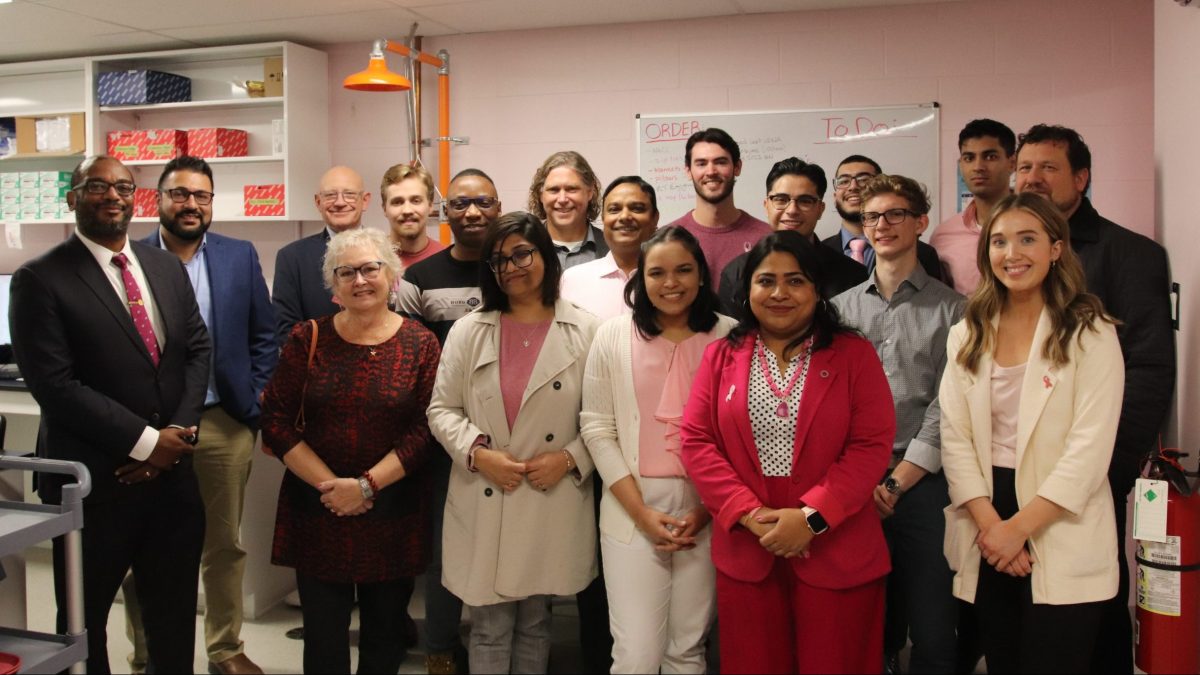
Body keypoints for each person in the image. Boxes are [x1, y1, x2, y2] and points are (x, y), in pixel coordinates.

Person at [9, 155, 211, 673]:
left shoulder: (164, 266)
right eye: (97, 186)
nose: (114, 195)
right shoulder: (40, 278)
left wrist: (175, 435)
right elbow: (55, 386)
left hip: (171, 482)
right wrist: (147, 443)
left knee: (173, 616)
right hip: (95, 484)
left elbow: (196, 350)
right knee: (85, 621)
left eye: (123, 186)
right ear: (72, 197)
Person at [680, 230, 896, 673]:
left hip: (836, 548)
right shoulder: (721, 356)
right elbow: (697, 441)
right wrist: (749, 515)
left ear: (817, 290)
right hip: (750, 547)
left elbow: (870, 445)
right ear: (747, 290)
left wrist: (811, 519)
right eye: (766, 280)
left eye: (795, 281)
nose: (780, 293)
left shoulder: (853, 354)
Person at [939, 191, 1124, 673]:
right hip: (986, 514)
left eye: (1027, 239)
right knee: (1002, 659)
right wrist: (993, 528)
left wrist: (1018, 530)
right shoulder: (968, 332)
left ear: (1056, 248)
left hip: (1055, 515)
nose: (1012, 253)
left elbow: (1089, 449)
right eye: (999, 241)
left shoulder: (1090, 331)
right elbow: (955, 438)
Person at [1014, 124, 1175, 673]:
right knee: (1024, 615)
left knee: (1095, 611)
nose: (1032, 178)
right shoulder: (1010, 255)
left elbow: (1149, 368)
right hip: (1012, 469)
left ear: (1081, 178)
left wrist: (1110, 465)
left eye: (1048, 167)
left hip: (1092, 471)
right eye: (1025, 167)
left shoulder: (1130, 254)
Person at [259, 227, 440, 673]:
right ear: (334, 285)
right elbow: (276, 420)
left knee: (385, 637)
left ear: (391, 275)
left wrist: (365, 486)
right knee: (323, 640)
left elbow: (426, 430)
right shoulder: (307, 338)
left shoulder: (421, 344)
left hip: (393, 509)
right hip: (318, 509)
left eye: (370, 269)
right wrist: (335, 488)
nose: (360, 280)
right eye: (346, 272)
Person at [427, 212, 601, 673]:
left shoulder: (586, 330)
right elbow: (441, 410)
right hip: (487, 491)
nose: (511, 267)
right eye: (499, 260)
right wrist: (478, 453)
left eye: (522, 254)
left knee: (537, 623)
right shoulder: (470, 329)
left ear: (545, 255)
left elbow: (605, 419)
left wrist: (569, 458)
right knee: (488, 626)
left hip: (550, 493)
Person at [124, 155, 277, 675]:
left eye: (201, 195)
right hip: (151, 424)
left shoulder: (238, 255)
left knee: (224, 544)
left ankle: (224, 648)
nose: (191, 204)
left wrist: (255, 400)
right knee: (145, 545)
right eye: (180, 194)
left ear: (212, 202)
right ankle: (148, 651)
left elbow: (264, 335)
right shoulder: (129, 258)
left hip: (223, 420)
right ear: (158, 200)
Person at [581, 226, 735, 673]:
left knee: (687, 647)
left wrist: (707, 510)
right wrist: (640, 512)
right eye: (657, 273)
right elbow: (597, 427)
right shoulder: (612, 335)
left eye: (683, 270)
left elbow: (740, 434)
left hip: (708, 511)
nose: (671, 283)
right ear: (640, 278)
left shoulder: (731, 336)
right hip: (632, 509)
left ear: (702, 274)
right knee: (636, 653)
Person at [832, 174, 965, 674]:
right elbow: (832, 404)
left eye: (894, 214)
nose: (881, 225)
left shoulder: (955, 311)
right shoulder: (839, 311)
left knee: (934, 630)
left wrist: (896, 481)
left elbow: (949, 406)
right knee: (866, 625)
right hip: (854, 486)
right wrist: (864, 479)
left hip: (926, 484)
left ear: (920, 222)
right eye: (871, 217)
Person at [395, 167, 502, 674]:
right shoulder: (419, 278)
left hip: (511, 434)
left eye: (483, 202)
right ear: (445, 212)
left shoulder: (514, 269)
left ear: (498, 207)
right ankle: (439, 650)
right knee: (445, 549)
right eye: (460, 203)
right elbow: (408, 363)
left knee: (505, 544)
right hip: (444, 437)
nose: (472, 212)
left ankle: (499, 647)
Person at [718, 157, 867, 314]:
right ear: (766, 205)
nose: (792, 210)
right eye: (781, 200)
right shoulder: (736, 273)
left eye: (805, 201)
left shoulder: (852, 275)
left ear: (820, 209)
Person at [272, 165, 370, 345]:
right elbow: (286, 330)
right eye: (330, 195)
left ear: (365, 201)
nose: (340, 202)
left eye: (349, 194)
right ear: (318, 202)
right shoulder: (292, 258)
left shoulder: (385, 252)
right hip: (315, 360)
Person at [666, 128, 771, 287]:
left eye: (720, 162)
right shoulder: (668, 240)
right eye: (701, 164)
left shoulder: (766, 238)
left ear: (737, 167)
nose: (711, 172)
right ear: (688, 171)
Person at [822, 155, 943, 282]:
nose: (853, 187)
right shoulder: (820, 252)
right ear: (835, 196)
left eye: (864, 179)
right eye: (843, 181)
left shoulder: (923, 253)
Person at [931, 119, 1016, 295]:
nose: (978, 167)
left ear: (1012, 163)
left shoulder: (1038, 224)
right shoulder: (944, 235)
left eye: (990, 157)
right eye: (969, 158)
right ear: (961, 164)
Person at [561, 176, 660, 321]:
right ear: (603, 218)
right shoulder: (572, 280)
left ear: (655, 218)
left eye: (637, 209)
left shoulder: (670, 282)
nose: (625, 216)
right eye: (614, 209)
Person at [528, 150, 609, 269]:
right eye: (554, 190)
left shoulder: (612, 249)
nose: (562, 199)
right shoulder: (524, 248)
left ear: (590, 192)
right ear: (541, 195)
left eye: (571, 189)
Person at [382, 162, 445, 269]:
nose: (407, 210)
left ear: (430, 206)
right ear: (384, 208)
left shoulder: (444, 261)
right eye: (397, 202)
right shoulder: (370, 260)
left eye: (416, 201)